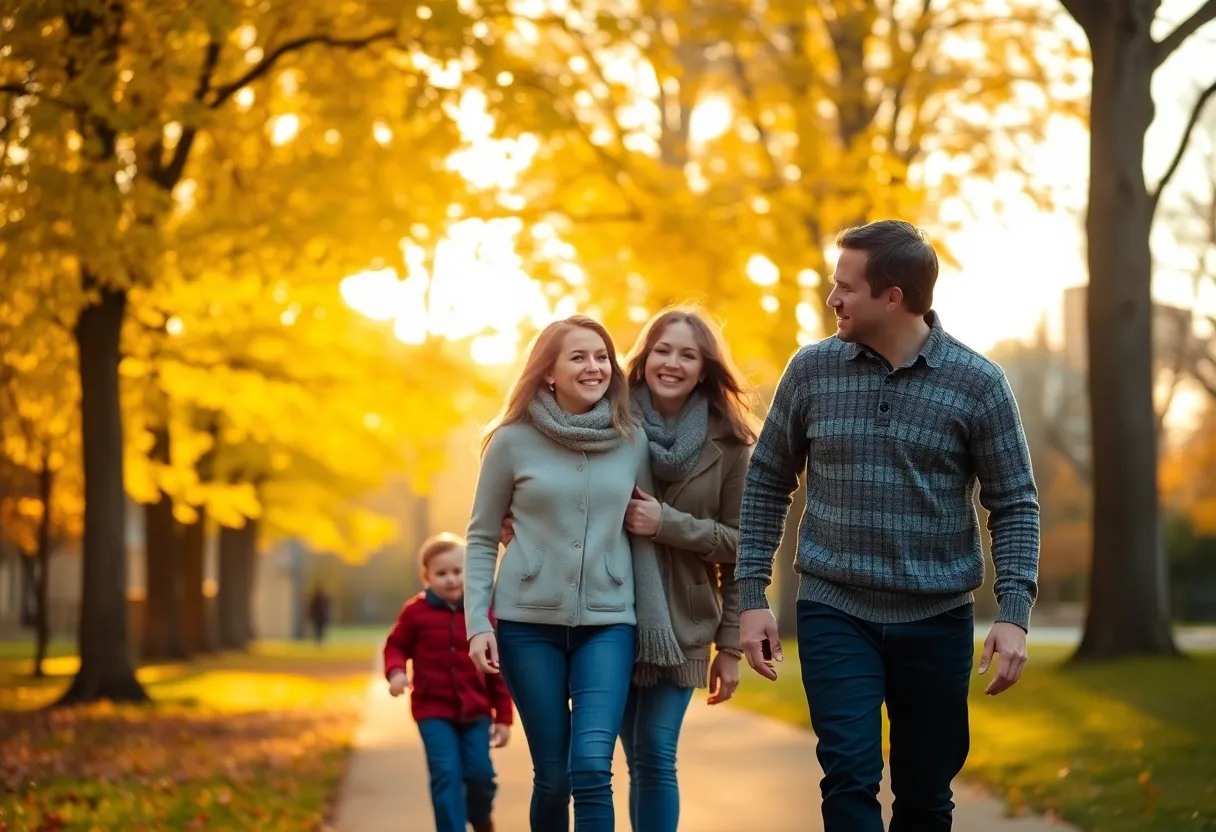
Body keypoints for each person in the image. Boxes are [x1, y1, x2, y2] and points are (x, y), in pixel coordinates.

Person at [736, 220, 1040, 832]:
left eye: (845, 287)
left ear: (893, 296)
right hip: (834, 607)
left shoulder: (978, 384)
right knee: (848, 776)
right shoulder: (812, 371)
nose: (832, 299)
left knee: (926, 796)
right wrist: (750, 596)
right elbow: (767, 481)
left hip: (937, 617)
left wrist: (1013, 613)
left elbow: (1015, 504)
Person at [464, 315, 684, 832]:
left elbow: (642, 523)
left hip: (609, 624)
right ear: (548, 373)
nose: (595, 367)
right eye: (579, 357)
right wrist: (478, 622)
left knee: (590, 768)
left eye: (602, 356)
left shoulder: (631, 441)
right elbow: (479, 535)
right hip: (526, 626)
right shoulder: (510, 442)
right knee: (554, 777)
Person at [617, 308, 756, 831]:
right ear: (644, 357)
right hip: (611, 612)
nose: (671, 363)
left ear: (705, 368)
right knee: (629, 760)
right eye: (662, 350)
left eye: (687, 354)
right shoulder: (609, 420)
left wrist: (732, 649)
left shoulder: (734, 444)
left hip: (685, 625)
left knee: (655, 753)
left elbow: (744, 547)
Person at [383, 533, 514, 832]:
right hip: (433, 711)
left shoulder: (483, 614)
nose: (451, 579)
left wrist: (504, 718)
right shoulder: (415, 613)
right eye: (442, 574)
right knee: (445, 774)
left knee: (481, 774)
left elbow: (497, 670)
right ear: (426, 576)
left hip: (477, 712)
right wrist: (396, 672)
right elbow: (395, 646)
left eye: (458, 571)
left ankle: (480, 818)